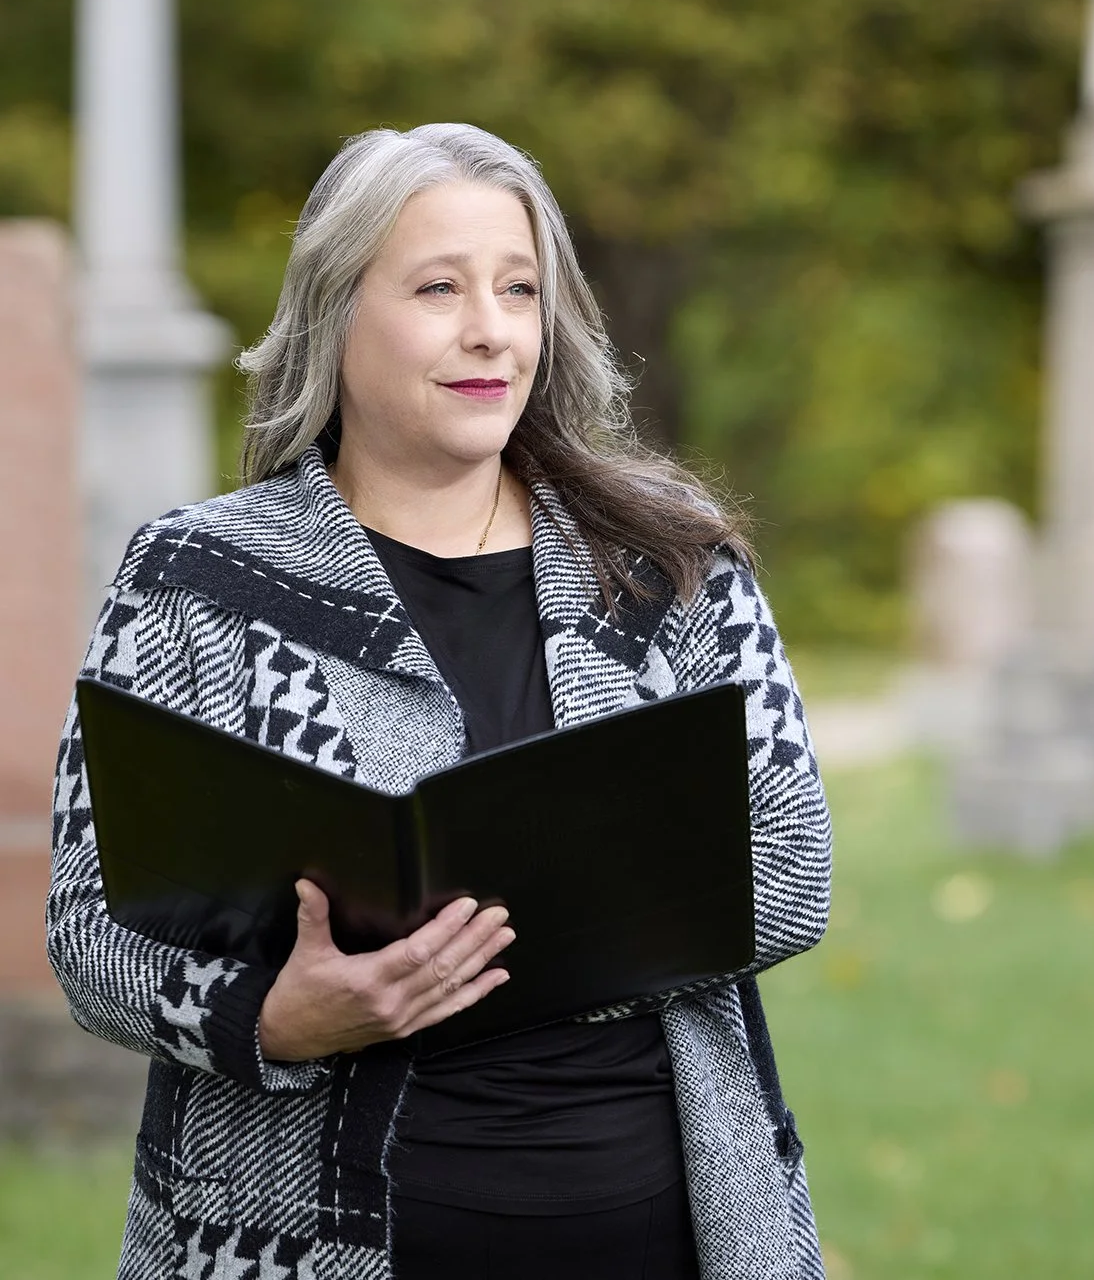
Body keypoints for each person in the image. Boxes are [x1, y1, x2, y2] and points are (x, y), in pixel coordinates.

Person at [48, 122, 832, 1280]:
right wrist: (273, 1018)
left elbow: (789, 872)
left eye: (518, 289)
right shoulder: (198, 577)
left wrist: (486, 942)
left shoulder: (666, 559)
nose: (489, 330)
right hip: (294, 1240)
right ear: (335, 310)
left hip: (660, 1230)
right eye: (437, 287)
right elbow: (88, 930)